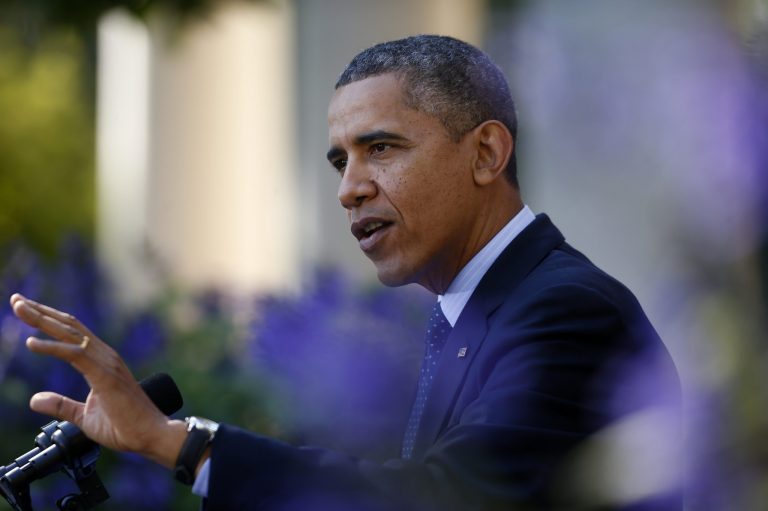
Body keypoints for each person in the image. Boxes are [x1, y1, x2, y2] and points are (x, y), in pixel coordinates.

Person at [10, 35, 681, 510]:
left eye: (381, 148)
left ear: (485, 154)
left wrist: (175, 442)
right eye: (340, 162)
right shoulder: (478, 308)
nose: (349, 189)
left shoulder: (566, 311)